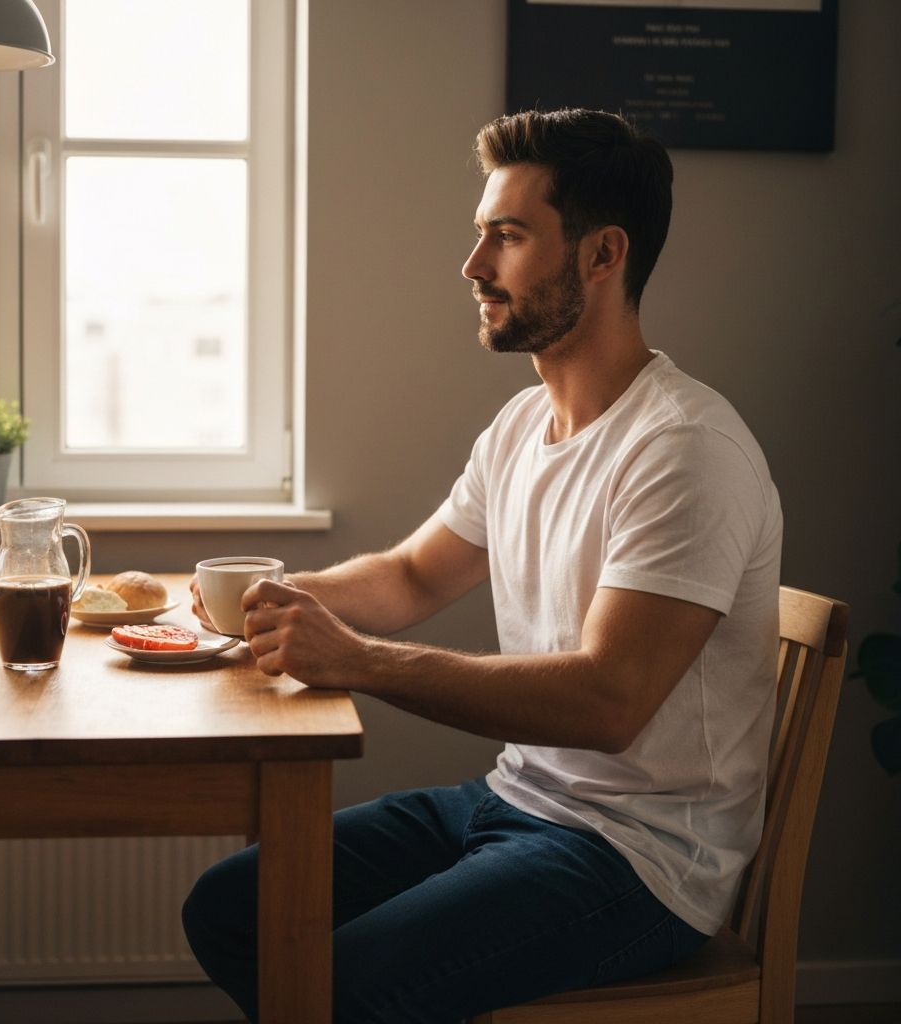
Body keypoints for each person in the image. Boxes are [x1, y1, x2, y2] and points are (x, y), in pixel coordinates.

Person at [181, 107, 783, 1024]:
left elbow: (609, 701)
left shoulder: (684, 448)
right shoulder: (521, 427)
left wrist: (357, 661)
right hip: (513, 800)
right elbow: (413, 578)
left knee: (341, 985)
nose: (473, 266)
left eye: (507, 236)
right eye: (481, 234)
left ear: (602, 254)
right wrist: (270, 599)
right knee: (230, 910)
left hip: (639, 858)